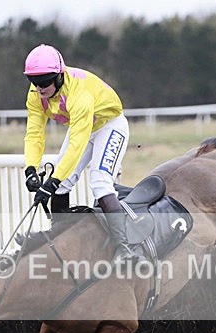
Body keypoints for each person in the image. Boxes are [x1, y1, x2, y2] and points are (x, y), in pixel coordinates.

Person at [21, 43, 139, 262]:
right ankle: (62, 244)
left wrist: (53, 181)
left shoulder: (79, 93)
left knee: (100, 181)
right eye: (34, 81)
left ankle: (124, 248)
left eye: (45, 81)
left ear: (59, 75)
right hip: (82, 128)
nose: (39, 88)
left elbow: (77, 142)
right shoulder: (35, 95)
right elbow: (35, 134)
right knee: (62, 185)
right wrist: (30, 169)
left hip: (109, 126)